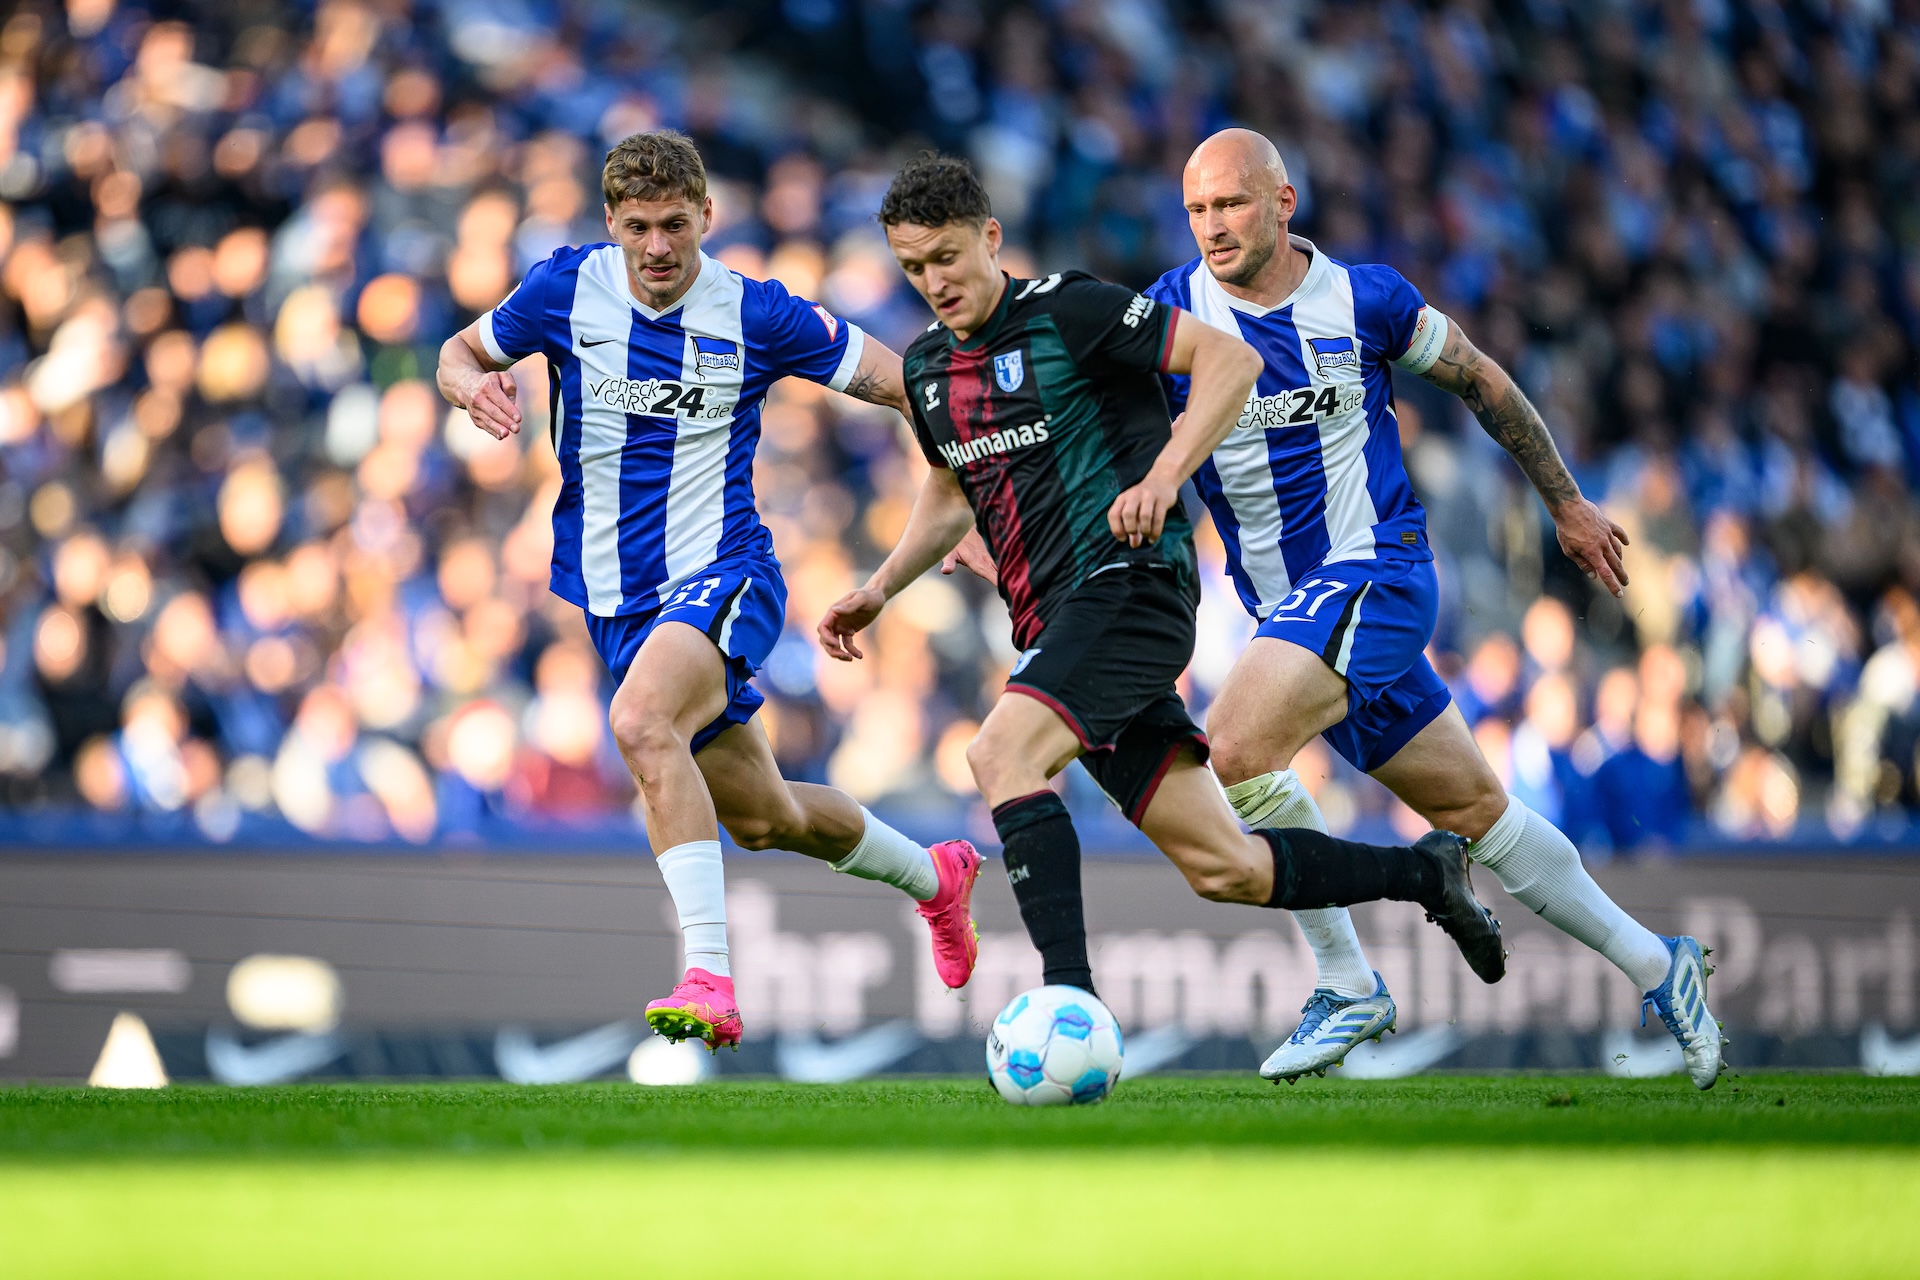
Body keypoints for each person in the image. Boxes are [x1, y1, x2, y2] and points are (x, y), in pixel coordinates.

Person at [818, 154, 1506, 1010]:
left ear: (991, 238)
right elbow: (953, 488)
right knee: (1228, 867)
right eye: (914, 267)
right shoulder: (926, 368)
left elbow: (1228, 362)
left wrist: (1162, 478)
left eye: (947, 257)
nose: (934, 281)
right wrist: (882, 587)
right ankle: (1427, 874)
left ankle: (1065, 1002)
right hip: (1056, 629)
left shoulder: (1069, 309)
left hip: (1131, 590)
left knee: (1000, 754)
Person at [1146, 129, 1724, 1088]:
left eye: (1233, 205)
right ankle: (1659, 966)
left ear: (1285, 202)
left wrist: (1567, 501)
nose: (1213, 227)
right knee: (1479, 810)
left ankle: (1347, 982)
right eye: (1197, 210)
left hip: (1379, 571)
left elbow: (1483, 381)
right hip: (1289, 615)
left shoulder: (1365, 298)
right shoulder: (1168, 315)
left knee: (1237, 748)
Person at [435, 131, 986, 1051]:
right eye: (640, 227)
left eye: (677, 226)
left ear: (707, 220)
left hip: (724, 573)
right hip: (614, 602)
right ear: (611, 222)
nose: (658, 248)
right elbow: (459, 350)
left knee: (644, 723)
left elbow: (908, 386)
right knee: (768, 819)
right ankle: (937, 878)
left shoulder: (758, 314)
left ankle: (710, 977)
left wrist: (959, 502)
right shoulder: (564, 291)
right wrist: (469, 390)